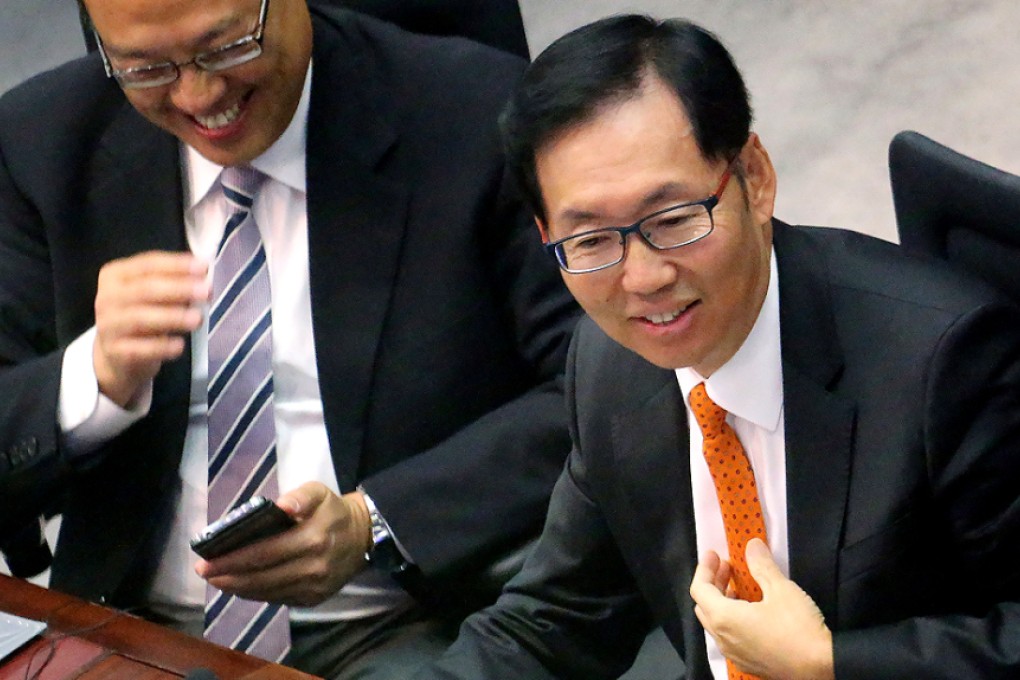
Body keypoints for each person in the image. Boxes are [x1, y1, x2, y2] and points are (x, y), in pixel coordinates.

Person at [414, 14, 1020, 680]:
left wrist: (828, 665)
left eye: (674, 219)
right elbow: (554, 616)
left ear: (754, 178)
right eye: (590, 241)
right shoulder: (609, 362)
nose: (643, 279)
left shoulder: (943, 360)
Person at [0, 0, 580, 677]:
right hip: (133, 629)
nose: (199, 95)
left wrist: (373, 521)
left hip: (411, 623)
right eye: (147, 68)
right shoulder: (43, 141)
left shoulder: (473, 114)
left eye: (227, 47)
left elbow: (599, 392)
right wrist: (89, 381)